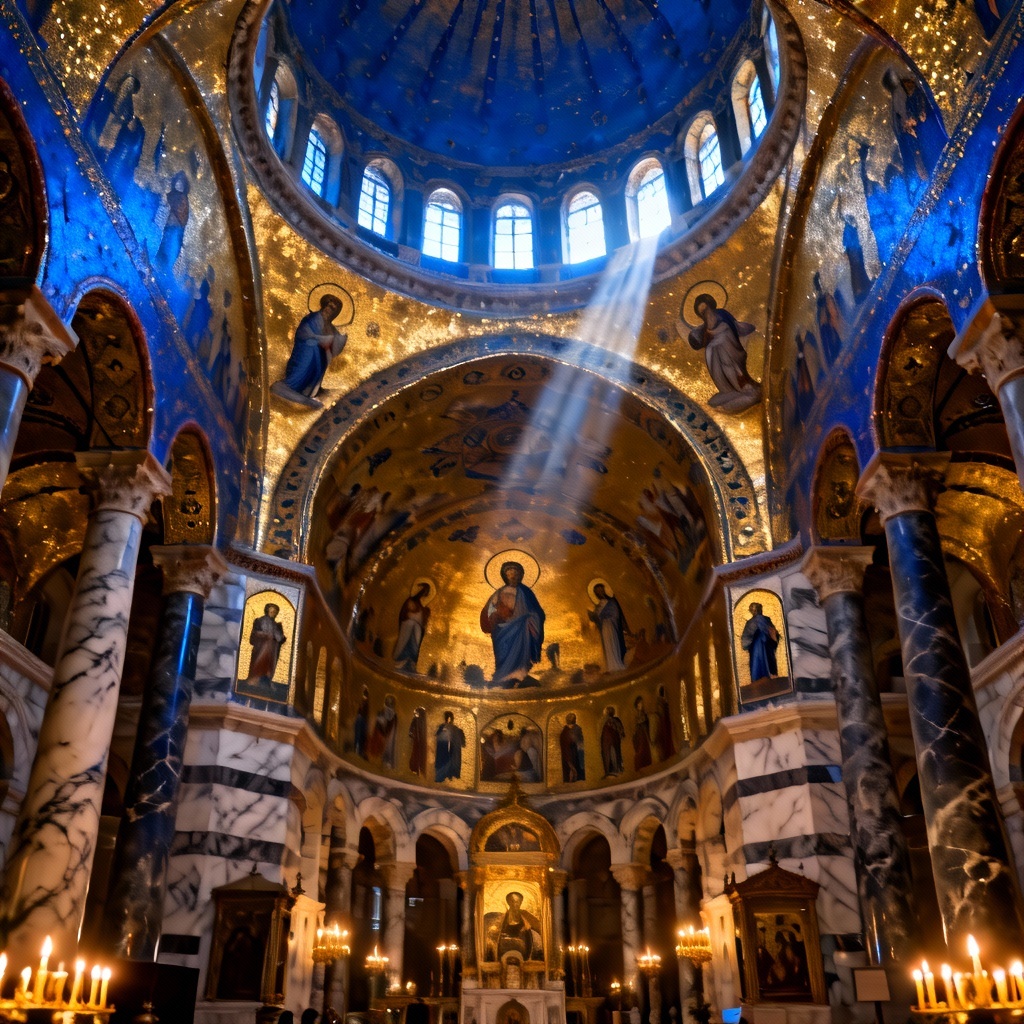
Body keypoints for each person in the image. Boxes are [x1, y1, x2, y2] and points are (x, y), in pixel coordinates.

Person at [682, 292, 761, 412]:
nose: (706, 313)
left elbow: (735, 325)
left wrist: (747, 328)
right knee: (717, 360)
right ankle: (730, 390)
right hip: (718, 354)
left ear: (710, 305)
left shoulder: (721, 314)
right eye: (702, 312)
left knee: (731, 367)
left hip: (730, 348)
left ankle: (745, 389)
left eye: (706, 308)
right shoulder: (705, 327)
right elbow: (699, 342)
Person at [480, 560, 545, 687]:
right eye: (509, 573)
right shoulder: (498, 592)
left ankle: (519, 676)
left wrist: (529, 619)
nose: (513, 576)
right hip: (501, 630)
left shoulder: (526, 593)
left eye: (515, 573)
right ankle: (504, 677)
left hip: (521, 627)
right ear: (505, 576)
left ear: (520, 575)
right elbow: (490, 610)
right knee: (503, 653)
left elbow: (537, 612)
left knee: (520, 651)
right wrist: (495, 615)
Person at [276, 293, 347, 407]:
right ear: (324, 305)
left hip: (320, 358)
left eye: (333, 309)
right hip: (305, 351)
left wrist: (341, 339)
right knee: (311, 352)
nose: (329, 310)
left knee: (319, 357)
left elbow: (335, 348)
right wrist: (321, 340)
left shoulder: (330, 327)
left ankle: (308, 392)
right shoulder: (313, 318)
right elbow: (304, 333)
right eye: (329, 306)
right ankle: (290, 386)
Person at [588, 580, 630, 672]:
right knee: (608, 646)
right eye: (597, 592)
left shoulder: (611, 602)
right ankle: (611, 666)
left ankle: (616, 665)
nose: (599, 593)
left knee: (613, 645)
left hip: (611, 626)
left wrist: (598, 615)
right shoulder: (600, 604)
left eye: (600, 590)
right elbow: (596, 616)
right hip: (605, 627)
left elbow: (614, 614)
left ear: (604, 590)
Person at [393, 581, 432, 672]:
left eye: (425, 594)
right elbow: (407, 614)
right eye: (424, 593)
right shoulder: (410, 601)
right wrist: (415, 618)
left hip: (416, 628)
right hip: (407, 627)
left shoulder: (421, 606)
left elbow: (422, 620)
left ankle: (412, 661)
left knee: (414, 644)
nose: (424, 596)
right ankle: (401, 659)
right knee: (405, 641)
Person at [496, 891, 543, 961]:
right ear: (508, 902)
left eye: (517, 902)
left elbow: (539, 928)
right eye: (512, 901)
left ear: (521, 903)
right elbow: (497, 932)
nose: (515, 904)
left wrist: (527, 929)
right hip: (504, 950)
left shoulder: (525, 915)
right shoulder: (502, 917)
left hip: (524, 950)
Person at [246, 603, 286, 684]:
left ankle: (266, 682)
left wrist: (280, 637)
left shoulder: (277, 625)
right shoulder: (259, 621)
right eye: (271, 611)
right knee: (258, 663)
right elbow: (253, 636)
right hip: (261, 648)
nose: (273, 613)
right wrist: (264, 635)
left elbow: (280, 638)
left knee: (269, 666)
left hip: (272, 650)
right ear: (267, 611)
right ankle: (254, 680)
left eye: (275, 612)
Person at [741, 602, 780, 683]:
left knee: (759, 674)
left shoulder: (751, 622)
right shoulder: (765, 619)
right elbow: (773, 634)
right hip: (765, 646)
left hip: (760, 648)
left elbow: (745, 642)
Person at [367, 694, 398, 768]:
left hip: (388, 738)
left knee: (389, 748)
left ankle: (387, 762)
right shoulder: (382, 713)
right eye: (388, 702)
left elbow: (390, 725)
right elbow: (379, 725)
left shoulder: (394, 716)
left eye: (391, 703)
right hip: (381, 737)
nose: (389, 705)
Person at [435, 710, 466, 782]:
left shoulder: (453, 729)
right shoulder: (445, 728)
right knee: (445, 764)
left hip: (446, 756)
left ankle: (447, 775)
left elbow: (462, 744)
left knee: (446, 764)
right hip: (444, 755)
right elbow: (463, 744)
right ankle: (446, 775)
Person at [559, 712, 585, 783]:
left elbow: (580, 741)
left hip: (576, 754)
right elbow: (565, 747)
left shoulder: (577, 728)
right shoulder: (565, 732)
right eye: (573, 719)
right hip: (569, 755)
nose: (575, 720)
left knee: (577, 772)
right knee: (572, 772)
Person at [600, 705, 625, 776]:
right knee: (613, 755)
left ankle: (616, 769)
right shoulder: (608, 722)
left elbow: (620, 731)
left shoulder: (610, 721)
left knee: (614, 755)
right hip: (611, 742)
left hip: (613, 742)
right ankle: (614, 769)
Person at [653, 684, 674, 761]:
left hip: (665, 720)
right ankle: (665, 754)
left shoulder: (664, 700)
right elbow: (660, 711)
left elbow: (663, 710)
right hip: (663, 721)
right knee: (664, 736)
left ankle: (668, 752)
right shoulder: (660, 701)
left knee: (667, 736)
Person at [632, 695, 652, 771]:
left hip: (644, 733)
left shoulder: (644, 713)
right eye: (640, 703)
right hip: (640, 734)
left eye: (642, 703)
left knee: (646, 748)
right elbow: (638, 723)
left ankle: (646, 763)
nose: (641, 704)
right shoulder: (638, 715)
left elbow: (646, 722)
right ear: (637, 705)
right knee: (641, 748)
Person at [409, 706, 427, 775]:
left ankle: (421, 769)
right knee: (416, 753)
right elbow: (411, 728)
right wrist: (411, 734)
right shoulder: (416, 719)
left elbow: (424, 731)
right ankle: (415, 769)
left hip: (421, 740)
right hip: (417, 740)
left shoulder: (423, 721)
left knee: (421, 754)